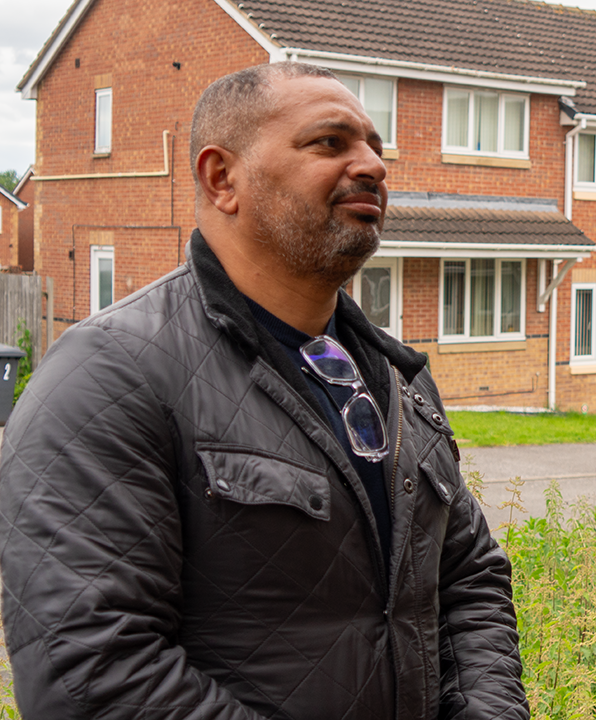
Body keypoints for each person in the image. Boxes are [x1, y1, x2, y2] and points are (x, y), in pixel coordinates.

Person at [0, 62, 527, 719]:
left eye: (375, 147)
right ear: (222, 178)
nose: (372, 165)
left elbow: (469, 576)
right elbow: (93, 674)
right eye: (329, 143)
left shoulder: (395, 379)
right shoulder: (109, 377)